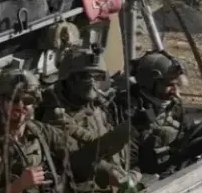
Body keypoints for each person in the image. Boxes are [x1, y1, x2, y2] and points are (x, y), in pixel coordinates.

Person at [0, 68, 131, 193]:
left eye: (27, 100)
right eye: (14, 100)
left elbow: (78, 156)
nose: (21, 106)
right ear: (0, 102)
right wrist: (19, 185)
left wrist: (116, 177)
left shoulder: (40, 131)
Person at [40, 45, 139, 192]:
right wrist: (120, 179)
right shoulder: (56, 118)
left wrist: (133, 170)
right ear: (69, 80)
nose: (93, 83)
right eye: (86, 77)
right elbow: (79, 162)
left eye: (98, 77)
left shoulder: (97, 106)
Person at [122, 50, 202, 175]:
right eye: (170, 85)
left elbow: (189, 132)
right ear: (150, 84)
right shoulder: (130, 114)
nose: (175, 91)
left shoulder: (173, 105)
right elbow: (130, 165)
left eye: (177, 85)